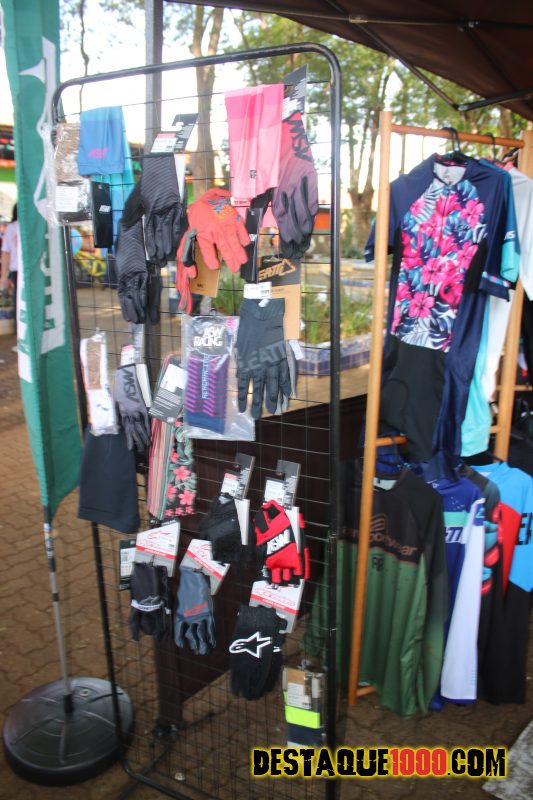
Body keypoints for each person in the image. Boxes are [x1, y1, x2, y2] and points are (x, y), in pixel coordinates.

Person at [1, 204, 19, 352]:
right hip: (35, 271)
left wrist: (3, 277)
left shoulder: (11, 228)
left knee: (19, 304)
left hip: (16, 271)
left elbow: (6, 253)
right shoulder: (34, 225)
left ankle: (21, 340)